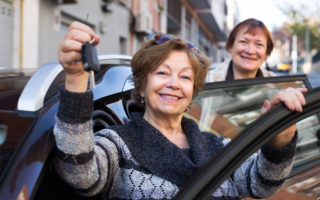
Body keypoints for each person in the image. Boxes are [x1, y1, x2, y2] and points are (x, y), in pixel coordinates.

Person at [54, 21, 306, 199]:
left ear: (192, 92)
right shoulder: (117, 144)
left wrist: (281, 132)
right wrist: (76, 77)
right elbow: (80, 175)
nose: (174, 83)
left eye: (185, 77)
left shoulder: (217, 146)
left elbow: (262, 184)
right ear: (141, 86)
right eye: (162, 72)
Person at [207, 18, 275, 82]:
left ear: (266, 53)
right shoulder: (207, 81)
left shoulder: (277, 86)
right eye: (243, 42)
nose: (250, 51)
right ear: (231, 46)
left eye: (259, 44)